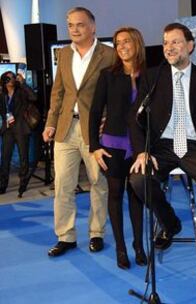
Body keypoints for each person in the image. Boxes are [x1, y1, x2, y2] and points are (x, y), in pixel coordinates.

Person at [128, 23, 196, 300]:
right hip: (162, 147)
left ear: (190, 45)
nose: (169, 48)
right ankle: (170, 222)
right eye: (165, 43)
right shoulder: (153, 77)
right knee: (137, 179)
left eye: (175, 42)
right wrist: (141, 152)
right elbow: (135, 120)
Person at [43, 7, 113, 257]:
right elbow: (58, 92)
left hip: (95, 131)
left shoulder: (109, 55)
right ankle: (66, 236)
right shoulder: (63, 54)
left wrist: (110, 122)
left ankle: (97, 233)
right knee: (62, 184)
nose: (74, 29)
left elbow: (116, 94)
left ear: (92, 27)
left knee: (98, 182)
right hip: (65, 128)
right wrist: (50, 122)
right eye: (70, 25)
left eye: (79, 24)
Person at [89, 27, 147, 269]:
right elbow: (94, 112)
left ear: (137, 43)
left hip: (140, 148)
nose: (121, 46)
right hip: (112, 146)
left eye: (126, 41)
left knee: (136, 195)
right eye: (117, 42)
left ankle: (138, 245)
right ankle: (121, 248)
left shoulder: (151, 75)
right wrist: (94, 146)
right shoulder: (107, 75)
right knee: (115, 195)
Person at [0, 71, 37, 196]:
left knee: (23, 158)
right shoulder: (2, 94)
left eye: (12, 78)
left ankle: (23, 184)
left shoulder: (21, 91)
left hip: (21, 128)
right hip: (8, 129)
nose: (10, 80)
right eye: (8, 78)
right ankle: (3, 184)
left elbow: (33, 97)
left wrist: (24, 84)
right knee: (5, 158)